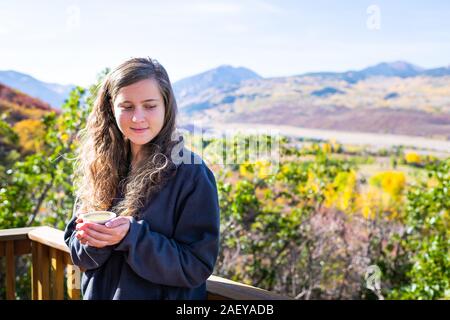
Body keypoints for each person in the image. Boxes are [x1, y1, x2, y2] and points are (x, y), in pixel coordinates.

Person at [64, 57, 220, 300]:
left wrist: (132, 237)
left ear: (166, 107)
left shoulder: (191, 174)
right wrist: (94, 240)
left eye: (149, 106)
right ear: (111, 108)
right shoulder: (101, 166)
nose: (138, 118)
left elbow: (196, 266)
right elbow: (79, 254)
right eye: (127, 106)